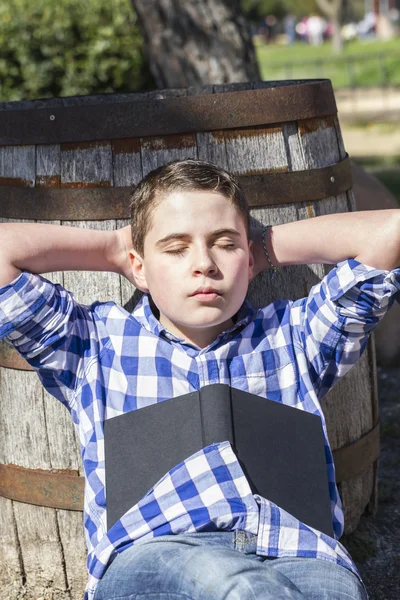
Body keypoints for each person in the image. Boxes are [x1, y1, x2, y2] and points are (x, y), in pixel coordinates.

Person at [0, 159, 399, 600]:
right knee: (241, 588)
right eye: (175, 249)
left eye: (223, 245)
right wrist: (114, 249)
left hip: (300, 555)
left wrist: (261, 248)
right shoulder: (97, 345)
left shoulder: (293, 337)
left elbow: (390, 233)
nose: (204, 264)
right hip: (158, 555)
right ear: (139, 265)